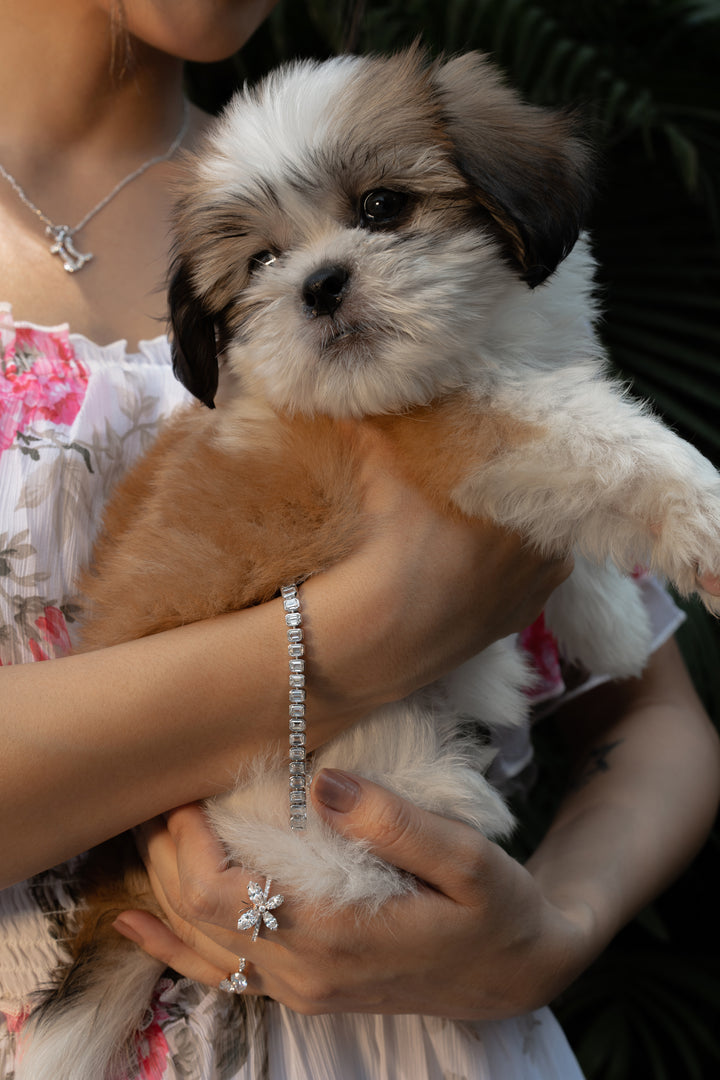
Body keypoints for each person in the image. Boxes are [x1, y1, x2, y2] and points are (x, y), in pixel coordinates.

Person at [1, 2, 718, 1078]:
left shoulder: (397, 156)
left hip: (452, 1037)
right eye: (260, 268)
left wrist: (551, 930)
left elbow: (646, 706)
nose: (325, 272)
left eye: (383, 210)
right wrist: (374, 628)